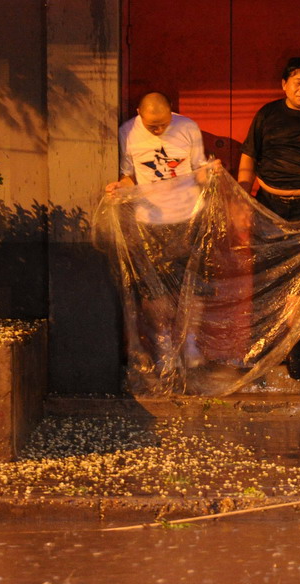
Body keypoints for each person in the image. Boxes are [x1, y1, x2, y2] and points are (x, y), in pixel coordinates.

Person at [237, 57, 300, 379]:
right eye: (296, 81)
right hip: (268, 204)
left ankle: (294, 349)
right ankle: (260, 347)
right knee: (268, 278)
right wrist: (242, 197)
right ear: (284, 85)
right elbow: (248, 158)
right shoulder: (268, 115)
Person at [106, 92, 208, 373]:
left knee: (193, 285)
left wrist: (212, 174)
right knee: (154, 290)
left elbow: (199, 171)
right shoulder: (127, 132)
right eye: (152, 126)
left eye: (163, 124)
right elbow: (129, 176)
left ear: (171, 113)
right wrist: (119, 188)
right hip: (149, 222)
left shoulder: (187, 126)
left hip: (188, 216)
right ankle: (164, 347)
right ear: (139, 112)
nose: (159, 130)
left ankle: (189, 342)